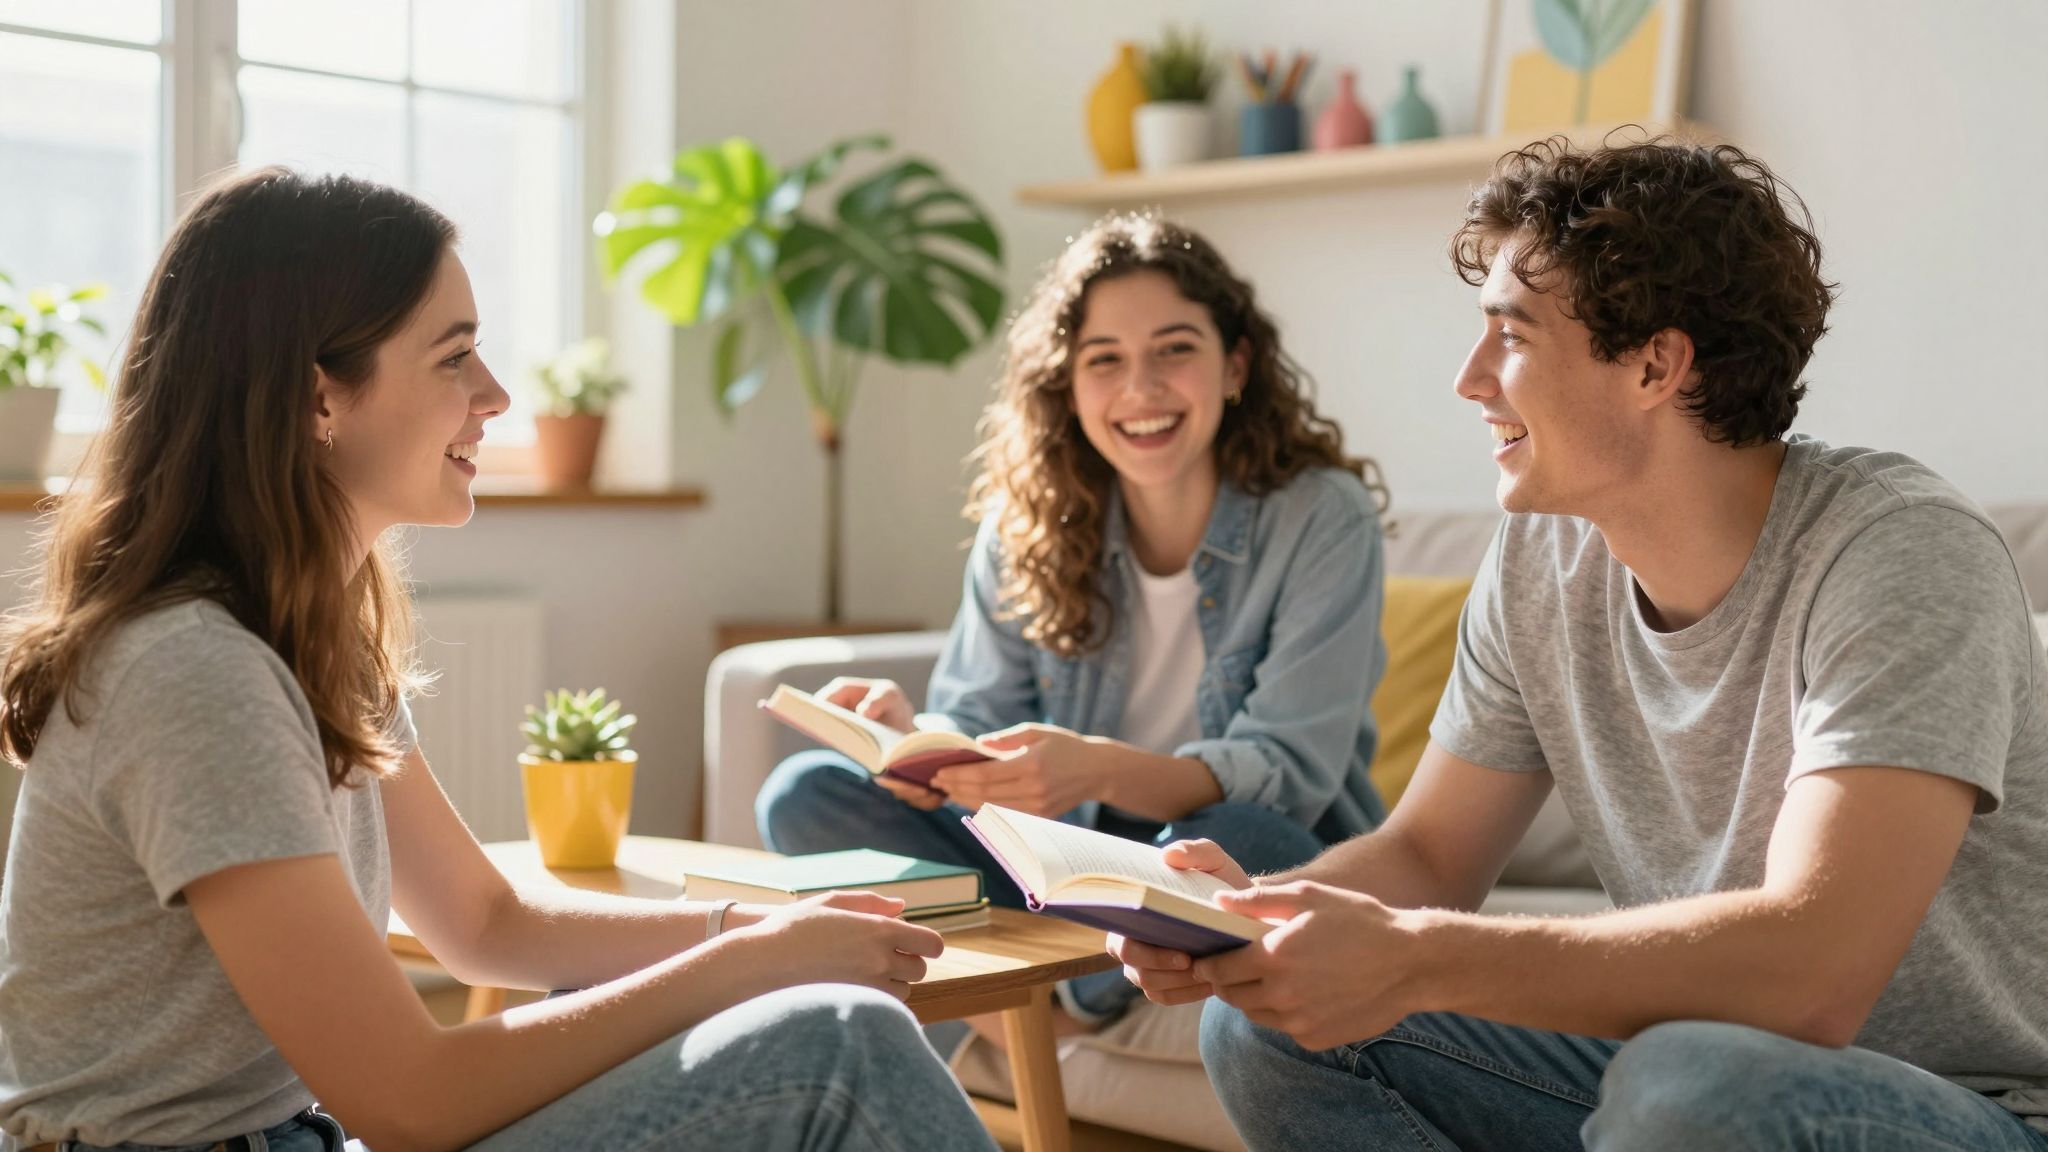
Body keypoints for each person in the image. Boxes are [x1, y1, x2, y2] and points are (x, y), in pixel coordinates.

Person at [0, 168, 997, 1152]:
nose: (496, 394)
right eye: (453, 357)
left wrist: (748, 930)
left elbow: (482, 919)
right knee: (834, 1051)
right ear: (317, 400)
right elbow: (411, 1102)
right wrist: (749, 968)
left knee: (802, 1033)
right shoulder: (196, 674)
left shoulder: (307, 641)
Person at [1112, 137, 2048, 1150]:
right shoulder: (1540, 560)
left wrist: (1417, 958)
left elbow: (1808, 976)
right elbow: (1427, 852)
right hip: (1685, 1076)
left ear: (1654, 362)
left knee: (1689, 1082)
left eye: (1508, 338)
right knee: (1272, 1026)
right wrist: (1256, 922)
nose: (1468, 381)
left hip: (1957, 1109)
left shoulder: (1899, 553)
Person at [756, 212, 1391, 1026]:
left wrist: (1093, 769)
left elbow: (1288, 768)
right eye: (1105, 361)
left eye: (1175, 349)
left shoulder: (1320, 518)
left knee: (1245, 838)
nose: (1142, 389)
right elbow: (982, 719)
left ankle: (1054, 974)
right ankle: (1084, 965)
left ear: (1235, 365)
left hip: (1221, 843)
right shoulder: (1026, 524)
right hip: (1058, 855)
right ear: (1068, 385)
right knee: (806, 795)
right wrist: (916, 745)